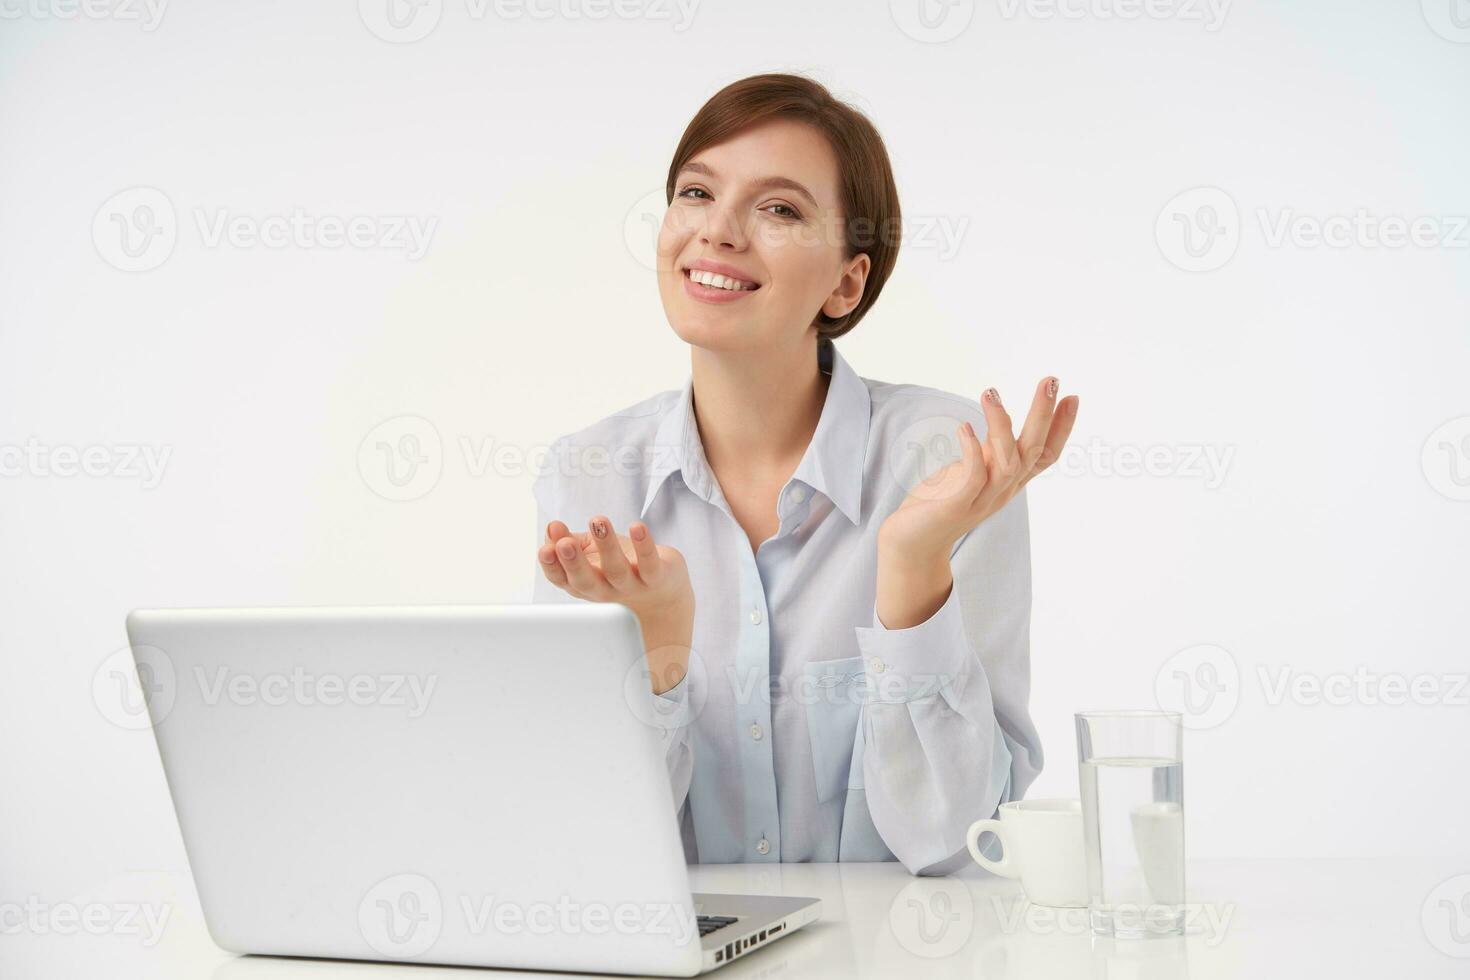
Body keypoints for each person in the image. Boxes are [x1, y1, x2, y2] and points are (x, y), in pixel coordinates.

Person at [532, 73, 1079, 875]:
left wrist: (913, 571)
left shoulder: (947, 462)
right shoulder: (592, 479)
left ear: (847, 281)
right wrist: (657, 654)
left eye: (778, 208)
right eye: (695, 192)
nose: (716, 232)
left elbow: (959, 845)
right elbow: (582, 847)